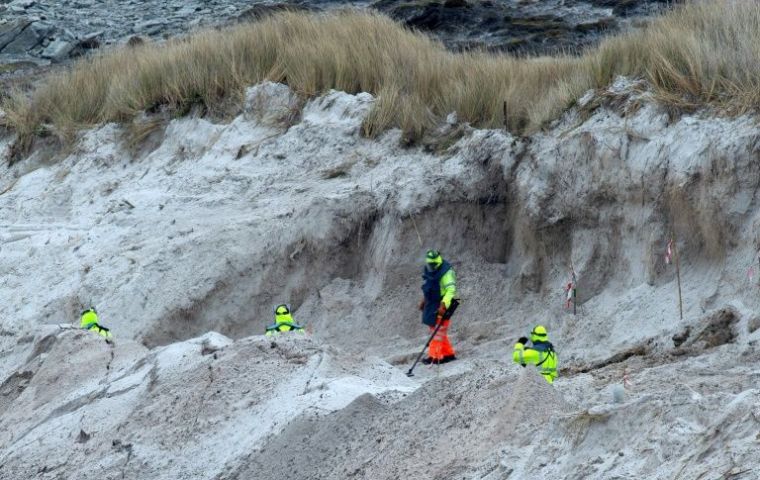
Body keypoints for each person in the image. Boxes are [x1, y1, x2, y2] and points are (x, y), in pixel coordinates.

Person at [419, 249, 457, 364]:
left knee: (437, 332)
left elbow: (451, 290)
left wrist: (443, 305)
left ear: (437, 262)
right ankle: (448, 354)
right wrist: (424, 300)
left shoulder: (446, 273)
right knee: (438, 330)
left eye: (432, 265)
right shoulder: (432, 269)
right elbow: (429, 286)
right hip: (432, 303)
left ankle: (434, 357)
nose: (430, 267)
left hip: (442, 303)